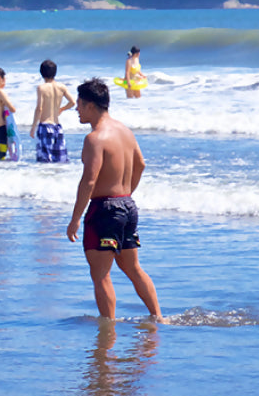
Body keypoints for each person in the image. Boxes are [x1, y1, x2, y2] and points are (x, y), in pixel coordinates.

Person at [66, 78, 161, 319]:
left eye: (79, 104)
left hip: (104, 210)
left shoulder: (95, 139)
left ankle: (108, 331)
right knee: (132, 268)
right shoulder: (125, 132)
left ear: (90, 106)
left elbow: (89, 180)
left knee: (101, 275)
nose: (76, 109)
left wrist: (75, 219)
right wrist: (126, 194)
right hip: (127, 206)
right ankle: (158, 317)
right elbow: (140, 164)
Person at [30, 59, 76, 163]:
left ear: (41, 73)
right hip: (57, 127)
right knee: (60, 159)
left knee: (45, 160)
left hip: (45, 126)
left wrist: (33, 126)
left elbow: (39, 108)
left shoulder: (41, 88)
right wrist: (62, 109)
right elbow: (73, 102)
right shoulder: (62, 87)